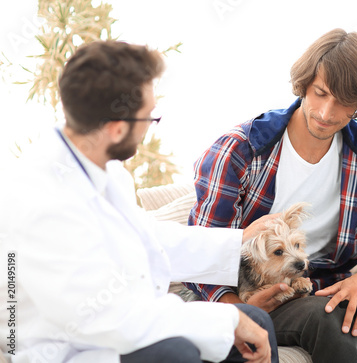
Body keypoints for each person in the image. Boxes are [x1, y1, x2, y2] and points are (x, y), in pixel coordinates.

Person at [185, 28, 357, 362]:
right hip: (261, 295)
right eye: (320, 93)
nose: (326, 112)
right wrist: (237, 310)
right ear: (304, 84)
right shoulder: (241, 150)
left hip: (327, 284)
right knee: (326, 317)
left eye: (344, 102)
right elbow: (199, 253)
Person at [0, 41, 280, 363]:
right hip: (67, 346)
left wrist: (240, 240)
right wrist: (227, 319)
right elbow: (102, 317)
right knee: (177, 352)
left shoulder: (103, 169)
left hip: (115, 327)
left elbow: (148, 238)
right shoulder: (40, 197)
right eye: (149, 118)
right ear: (117, 128)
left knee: (255, 321)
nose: (150, 127)